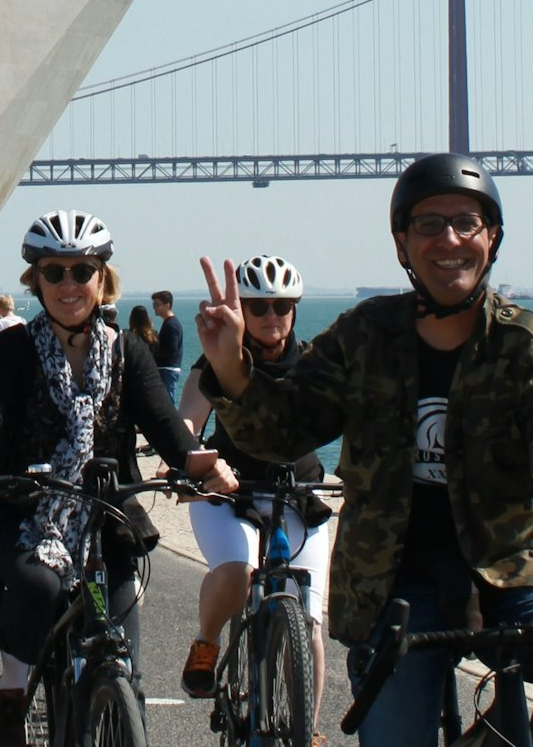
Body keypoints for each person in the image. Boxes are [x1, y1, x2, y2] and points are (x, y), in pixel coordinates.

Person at [195, 154, 533, 747]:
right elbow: (283, 431)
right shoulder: (365, 336)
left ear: (491, 237)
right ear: (402, 243)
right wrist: (230, 368)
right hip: (392, 581)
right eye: (428, 224)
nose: (449, 239)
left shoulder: (530, 347)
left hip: (509, 570)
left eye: (466, 223)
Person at [0, 208, 237, 747]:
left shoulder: (128, 351)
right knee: (37, 582)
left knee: (125, 654)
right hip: (29, 511)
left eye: (82, 271)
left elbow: (166, 425)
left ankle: (117, 705)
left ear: (102, 278)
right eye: (55, 272)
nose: (69, 284)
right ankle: (12, 689)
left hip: (109, 514)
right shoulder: (14, 348)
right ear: (37, 280)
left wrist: (201, 463)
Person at [178, 255, 333, 743]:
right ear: (242, 308)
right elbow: (186, 423)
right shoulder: (218, 358)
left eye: (282, 306)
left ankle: (305, 730)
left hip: (300, 494)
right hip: (230, 493)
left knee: (309, 624)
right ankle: (207, 642)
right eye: (259, 306)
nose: (271, 316)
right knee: (239, 572)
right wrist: (193, 461)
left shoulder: (312, 363)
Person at [152, 289, 183, 404]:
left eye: (157, 304)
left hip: (168, 369)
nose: (154, 307)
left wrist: (155, 352)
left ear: (167, 305)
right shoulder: (169, 323)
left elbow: (171, 350)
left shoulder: (171, 325)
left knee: (167, 402)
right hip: (166, 368)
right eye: (153, 304)